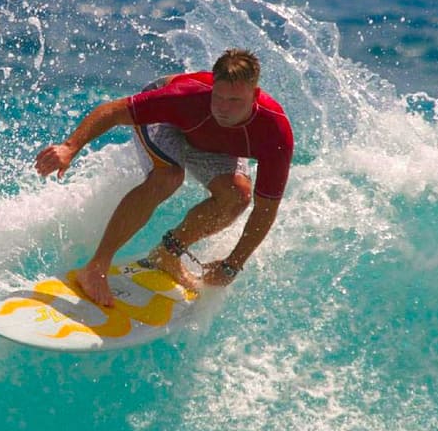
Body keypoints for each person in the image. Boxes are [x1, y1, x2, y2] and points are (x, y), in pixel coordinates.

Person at [34, 48, 294, 307]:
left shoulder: (274, 132)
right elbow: (113, 111)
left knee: (237, 197)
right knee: (168, 177)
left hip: (213, 144)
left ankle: (167, 255)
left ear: (255, 95)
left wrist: (233, 264)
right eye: (219, 96)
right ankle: (95, 267)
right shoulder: (185, 97)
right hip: (170, 124)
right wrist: (70, 147)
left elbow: (265, 210)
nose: (223, 108)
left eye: (235, 101)